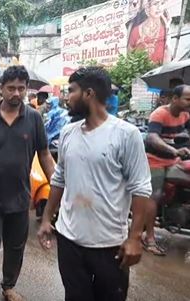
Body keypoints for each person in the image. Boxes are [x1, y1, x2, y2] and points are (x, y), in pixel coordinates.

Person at [37, 67, 151, 301]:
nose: (67, 98)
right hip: (69, 241)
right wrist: (48, 218)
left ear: (88, 93)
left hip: (109, 246)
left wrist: (135, 238)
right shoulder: (68, 133)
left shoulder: (126, 134)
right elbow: (59, 179)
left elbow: (140, 189)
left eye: (71, 91)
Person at [0, 65, 56, 301]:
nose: (16, 93)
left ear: (27, 89)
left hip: (20, 196)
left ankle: (8, 286)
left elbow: (45, 154)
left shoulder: (34, 118)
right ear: (1, 89)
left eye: (21, 88)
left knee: (16, 248)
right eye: (11, 88)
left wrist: (59, 186)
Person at [143, 85, 190, 256]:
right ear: (175, 99)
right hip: (154, 161)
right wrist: (174, 151)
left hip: (174, 160)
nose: (189, 102)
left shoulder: (186, 115)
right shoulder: (160, 113)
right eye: (187, 99)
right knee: (154, 194)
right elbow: (152, 137)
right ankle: (149, 239)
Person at [127, 0, 170, 64]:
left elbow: (168, 53)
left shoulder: (165, 28)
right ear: (147, 8)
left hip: (161, 71)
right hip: (141, 72)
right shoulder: (136, 31)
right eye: (155, 4)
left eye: (162, 3)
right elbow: (129, 56)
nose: (159, 7)